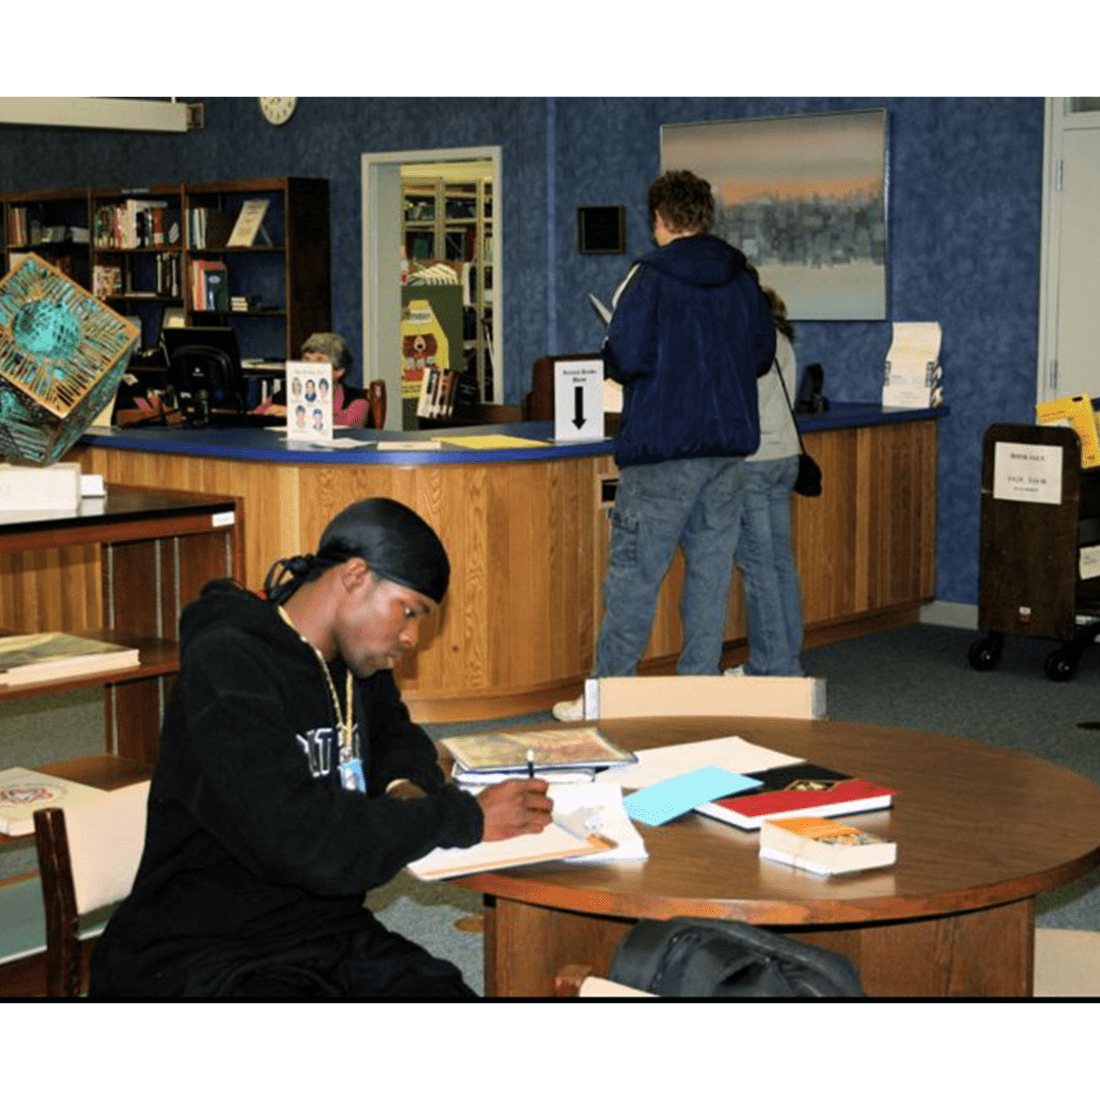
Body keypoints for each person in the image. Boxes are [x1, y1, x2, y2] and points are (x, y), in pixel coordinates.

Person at [90, 498, 553, 998]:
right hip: (202, 947)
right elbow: (299, 838)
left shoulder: (358, 662)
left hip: (324, 931)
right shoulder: (229, 662)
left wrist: (405, 790)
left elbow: (400, 739)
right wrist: (464, 819)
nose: (412, 637)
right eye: (408, 611)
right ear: (355, 576)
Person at [553, 169, 776, 721]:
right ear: (705, 215)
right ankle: (696, 695)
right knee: (708, 576)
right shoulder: (742, 278)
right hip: (726, 451)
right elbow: (761, 357)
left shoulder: (647, 277)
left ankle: (609, 699)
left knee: (634, 579)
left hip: (662, 452)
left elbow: (625, 358)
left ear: (660, 220)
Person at [726, 279, 806, 677]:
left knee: (759, 568)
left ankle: (773, 668)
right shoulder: (780, 339)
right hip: (784, 457)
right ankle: (788, 658)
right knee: (779, 564)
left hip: (753, 461)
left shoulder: (743, 342)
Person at [253, 332, 370, 427]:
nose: (310, 365)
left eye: (320, 360)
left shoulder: (355, 400)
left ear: (338, 371)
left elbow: (347, 426)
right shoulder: (283, 395)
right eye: (306, 359)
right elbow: (253, 418)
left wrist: (295, 414)